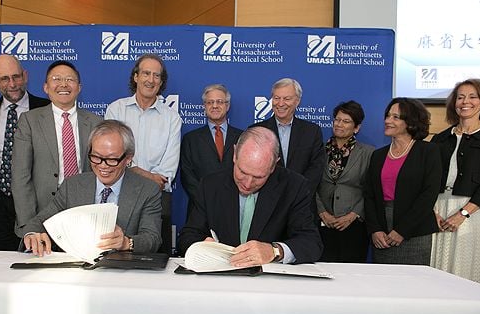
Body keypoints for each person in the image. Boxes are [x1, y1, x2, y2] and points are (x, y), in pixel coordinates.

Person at [178, 127, 323, 265]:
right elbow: (187, 236)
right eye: (242, 172)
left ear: (273, 166)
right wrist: (202, 245)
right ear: (235, 154)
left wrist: (275, 251)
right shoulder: (210, 185)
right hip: (220, 281)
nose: (247, 184)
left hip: (270, 284)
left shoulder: (294, 186)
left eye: (258, 177)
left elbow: (311, 242)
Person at [23, 120, 162, 256]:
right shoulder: (72, 186)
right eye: (96, 157)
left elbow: (152, 238)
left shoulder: (148, 190)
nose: (103, 165)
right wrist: (32, 234)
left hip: (123, 271)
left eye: (112, 159)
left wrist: (126, 243)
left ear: (128, 159)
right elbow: (39, 222)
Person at [430, 79, 480, 289]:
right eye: (460, 96)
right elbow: (427, 180)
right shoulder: (440, 139)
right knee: (438, 278)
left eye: (473, 96)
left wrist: (462, 214)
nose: (465, 101)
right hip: (438, 211)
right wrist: (432, 211)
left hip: (472, 213)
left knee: (469, 278)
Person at [11, 60, 102, 238]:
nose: (63, 84)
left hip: (84, 214)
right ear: (46, 87)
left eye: (70, 79)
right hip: (42, 214)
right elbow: (21, 176)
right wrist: (29, 225)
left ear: (79, 87)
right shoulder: (29, 121)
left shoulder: (96, 122)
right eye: (56, 79)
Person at [105, 53, 181, 254]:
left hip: (157, 200)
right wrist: (145, 175)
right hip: (117, 195)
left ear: (161, 82)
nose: (151, 80)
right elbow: (111, 159)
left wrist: (129, 168)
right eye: (146, 73)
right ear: (136, 77)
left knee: (155, 260)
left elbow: (166, 175)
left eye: (157, 75)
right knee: (114, 255)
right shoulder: (115, 110)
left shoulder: (172, 118)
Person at [0, 54, 50, 250]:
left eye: (16, 76)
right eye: (4, 78)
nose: (12, 84)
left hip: (35, 202)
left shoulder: (47, 108)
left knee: (36, 261)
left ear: (25, 76)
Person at [364, 97, 442, 266]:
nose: (387, 121)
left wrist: (402, 230)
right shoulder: (378, 155)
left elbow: (429, 194)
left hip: (414, 231)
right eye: (387, 116)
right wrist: (375, 229)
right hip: (382, 233)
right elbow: (369, 195)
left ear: (411, 122)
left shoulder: (428, 151)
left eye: (395, 117)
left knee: (413, 286)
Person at [316, 101, 374, 262]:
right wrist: (322, 212)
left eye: (346, 121)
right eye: (337, 119)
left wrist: (353, 215)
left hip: (354, 225)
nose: (339, 124)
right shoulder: (318, 150)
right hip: (322, 223)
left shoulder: (368, 153)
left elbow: (371, 190)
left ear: (356, 127)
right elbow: (309, 185)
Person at [252, 78, 325, 192]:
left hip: (301, 198)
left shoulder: (312, 131)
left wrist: (298, 192)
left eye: (287, 99)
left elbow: (316, 168)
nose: (280, 103)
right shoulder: (256, 131)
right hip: (266, 197)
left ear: (297, 101)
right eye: (276, 98)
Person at [180, 84, 242, 214]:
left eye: (219, 102)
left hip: (234, 207)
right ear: (204, 107)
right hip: (200, 209)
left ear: (227, 106)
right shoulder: (190, 139)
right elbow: (187, 177)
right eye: (210, 102)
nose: (214, 106)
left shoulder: (243, 137)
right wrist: (206, 200)